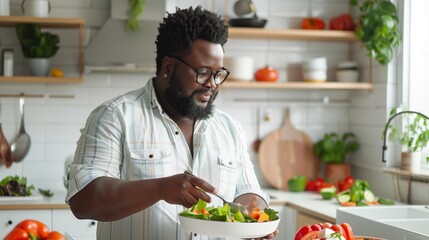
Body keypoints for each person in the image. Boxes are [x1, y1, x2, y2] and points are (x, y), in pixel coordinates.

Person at [66, 6, 278, 240]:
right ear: (168, 67)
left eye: (218, 74)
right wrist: (160, 189)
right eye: (204, 72)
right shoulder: (115, 116)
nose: (212, 84)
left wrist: (251, 216)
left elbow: (248, 191)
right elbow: (83, 200)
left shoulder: (229, 128)